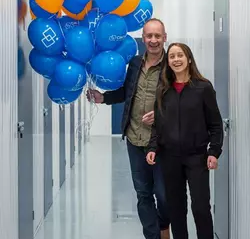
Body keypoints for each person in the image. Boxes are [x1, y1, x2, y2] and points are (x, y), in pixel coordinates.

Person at [86, 18, 170, 239]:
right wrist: (102, 97)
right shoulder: (134, 64)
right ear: (143, 38)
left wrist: (162, 116)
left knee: (164, 194)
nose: (153, 40)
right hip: (135, 138)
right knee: (143, 193)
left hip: (162, 141)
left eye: (157, 36)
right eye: (149, 36)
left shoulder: (171, 65)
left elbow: (183, 100)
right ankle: (152, 236)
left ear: (164, 38)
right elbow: (126, 91)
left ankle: (164, 226)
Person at [146, 43, 223, 239]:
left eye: (180, 55)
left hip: (196, 157)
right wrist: (153, 147)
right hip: (170, 157)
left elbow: (215, 124)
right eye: (172, 56)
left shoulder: (203, 88)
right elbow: (158, 125)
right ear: (168, 62)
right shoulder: (163, 89)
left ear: (189, 59)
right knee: (176, 209)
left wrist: (214, 151)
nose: (176, 59)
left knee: (200, 208)